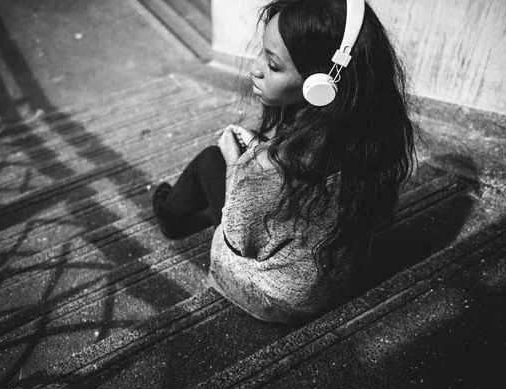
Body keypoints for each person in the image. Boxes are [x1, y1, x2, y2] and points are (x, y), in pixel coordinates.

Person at [153, 0, 417, 323]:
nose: (256, 68)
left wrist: (238, 164)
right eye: (263, 52)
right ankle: (179, 211)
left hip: (276, 299)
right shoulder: (367, 136)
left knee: (211, 159)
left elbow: (234, 238)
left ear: (321, 83)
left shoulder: (264, 169)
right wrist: (258, 151)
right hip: (338, 277)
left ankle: (170, 216)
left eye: (274, 65)